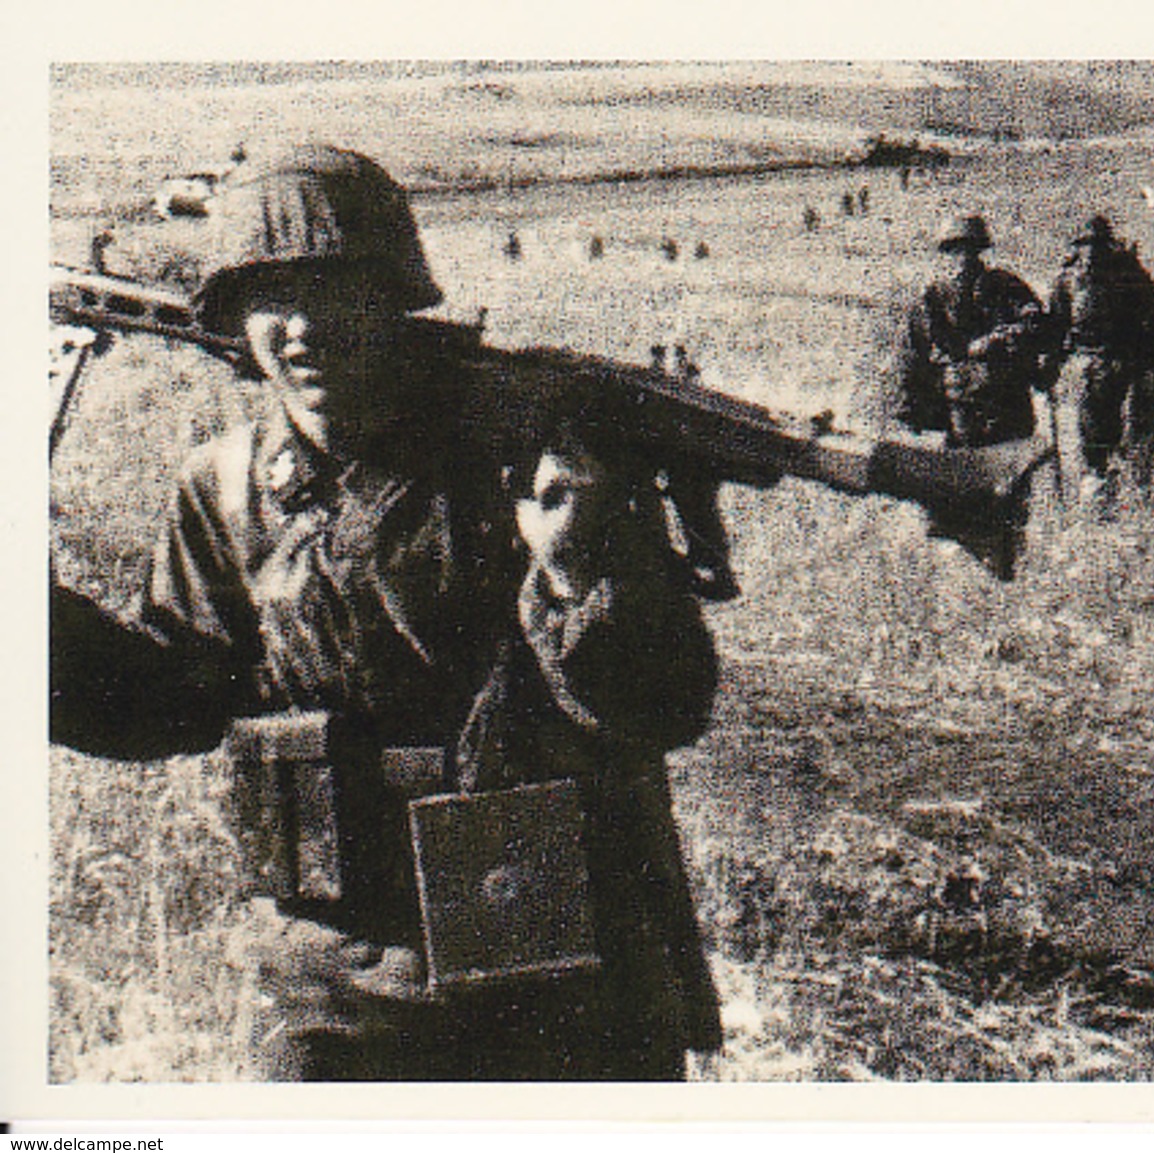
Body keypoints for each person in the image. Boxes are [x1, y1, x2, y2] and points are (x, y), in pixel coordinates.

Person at [49, 143, 723, 1081]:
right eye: (268, 298)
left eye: (333, 292)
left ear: (394, 297)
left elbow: (667, 704)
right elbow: (169, 702)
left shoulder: (531, 448)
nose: (301, 329)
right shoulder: (224, 486)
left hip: (562, 958)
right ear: (233, 318)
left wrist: (570, 571)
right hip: (333, 971)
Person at [1045, 214, 1154, 510]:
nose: (1092, 251)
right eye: (1085, 245)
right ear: (1077, 248)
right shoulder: (1067, 282)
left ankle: (1140, 497)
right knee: (1094, 441)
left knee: (1139, 436)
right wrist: (1049, 366)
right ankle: (1100, 503)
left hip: (1133, 366)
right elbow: (1055, 329)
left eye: (1097, 245)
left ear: (1108, 246)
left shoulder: (1130, 275)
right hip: (1093, 370)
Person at [896, 212, 1046, 450]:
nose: (964, 257)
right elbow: (914, 353)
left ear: (979, 250)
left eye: (970, 249)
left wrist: (1005, 337)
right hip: (962, 398)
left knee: (1014, 460)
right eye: (956, 250)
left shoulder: (1006, 284)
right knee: (968, 464)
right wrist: (908, 408)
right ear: (948, 253)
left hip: (1008, 394)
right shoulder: (935, 294)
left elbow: (1035, 321)